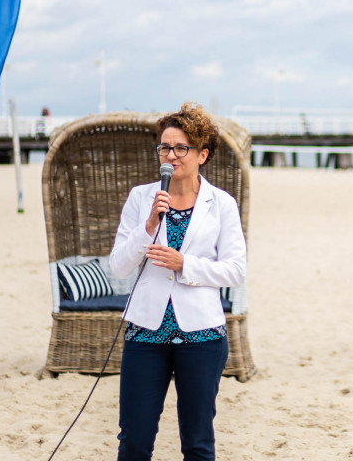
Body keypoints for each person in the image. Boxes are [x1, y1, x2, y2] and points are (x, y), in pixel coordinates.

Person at [109, 103, 247, 460]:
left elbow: (235, 270)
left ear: (202, 154)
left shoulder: (223, 204)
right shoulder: (143, 198)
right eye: (164, 148)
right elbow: (119, 267)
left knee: (198, 444)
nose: (170, 156)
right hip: (145, 335)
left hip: (201, 336)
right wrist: (148, 227)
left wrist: (185, 264)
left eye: (181, 148)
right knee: (134, 441)